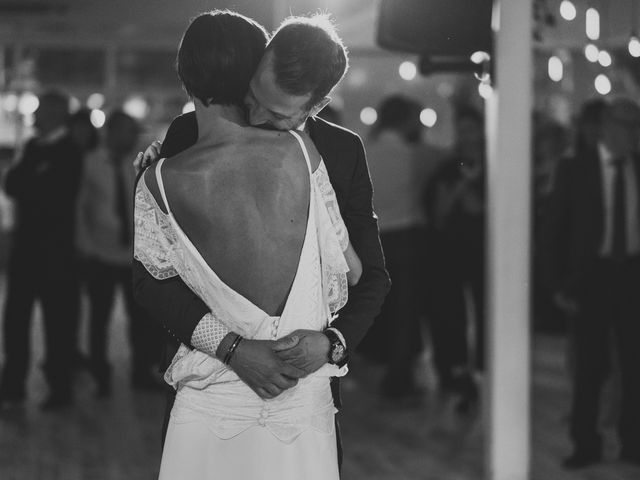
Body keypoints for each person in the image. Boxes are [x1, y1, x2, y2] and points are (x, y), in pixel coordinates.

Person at [133, 11, 390, 470]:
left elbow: (371, 277)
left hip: (304, 397)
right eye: (253, 96)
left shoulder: (340, 151)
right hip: (214, 389)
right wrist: (230, 348)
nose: (253, 115)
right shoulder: (186, 135)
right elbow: (154, 280)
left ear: (317, 104)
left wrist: (332, 343)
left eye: (275, 113)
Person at [541, 97, 640, 469]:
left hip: (632, 273)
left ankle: (633, 442)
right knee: (590, 367)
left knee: (635, 364)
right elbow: (552, 230)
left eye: (636, 126)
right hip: (591, 276)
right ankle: (586, 444)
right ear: (605, 127)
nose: (631, 134)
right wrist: (557, 285)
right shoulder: (575, 168)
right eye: (624, 125)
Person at [0, 90, 83, 410]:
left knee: (58, 324)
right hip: (27, 252)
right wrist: (35, 182)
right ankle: (13, 385)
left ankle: (59, 389)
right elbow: (13, 185)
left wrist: (31, 183)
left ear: (55, 114)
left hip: (58, 255)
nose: (33, 117)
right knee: (16, 322)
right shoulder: (34, 148)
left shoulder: (71, 152)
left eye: (39, 111)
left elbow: (56, 197)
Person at [358, 95, 442, 399]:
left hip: (372, 240)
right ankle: (398, 380)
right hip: (407, 238)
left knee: (379, 309)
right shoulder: (417, 154)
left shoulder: (365, 151)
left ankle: (375, 366)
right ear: (406, 120)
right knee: (406, 313)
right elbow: (448, 158)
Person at [76, 111, 163, 396]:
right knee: (99, 319)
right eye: (126, 131)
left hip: (133, 254)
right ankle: (101, 375)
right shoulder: (90, 163)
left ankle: (141, 371)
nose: (131, 137)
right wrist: (86, 246)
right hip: (100, 254)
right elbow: (81, 208)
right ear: (111, 132)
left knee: (140, 319)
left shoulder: (137, 163)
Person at [424, 105, 486, 408]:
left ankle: (484, 369)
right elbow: (438, 215)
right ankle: (461, 374)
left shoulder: (497, 165)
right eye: (462, 130)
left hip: (486, 255)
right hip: (450, 253)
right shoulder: (448, 167)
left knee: (486, 313)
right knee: (453, 317)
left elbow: (485, 211)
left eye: (472, 129)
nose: (467, 136)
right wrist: (460, 187)